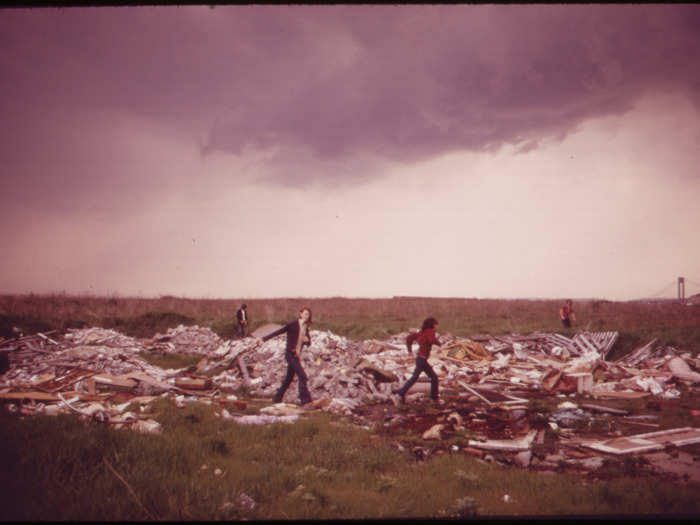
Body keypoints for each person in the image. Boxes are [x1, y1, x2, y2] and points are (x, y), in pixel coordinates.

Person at [256, 306, 313, 406]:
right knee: (302, 376)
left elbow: (308, 342)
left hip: (297, 356)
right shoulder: (293, 324)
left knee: (288, 379)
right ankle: (306, 401)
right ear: (300, 314)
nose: (307, 316)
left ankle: (277, 398)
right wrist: (263, 339)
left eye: (308, 315)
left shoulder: (306, 327)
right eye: (305, 314)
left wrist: (307, 341)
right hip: (290, 354)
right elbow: (279, 331)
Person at [394, 317, 443, 405]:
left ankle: (400, 394)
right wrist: (440, 344)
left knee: (416, 377)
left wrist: (409, 351)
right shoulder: (429, 331)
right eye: (436, 325)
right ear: (432, 325)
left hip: (420, 359)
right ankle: (434, 398)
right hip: (422, 360)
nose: (436, 327)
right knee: (433, 378)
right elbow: (431, 340)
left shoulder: (421, 332)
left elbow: (409, 338)